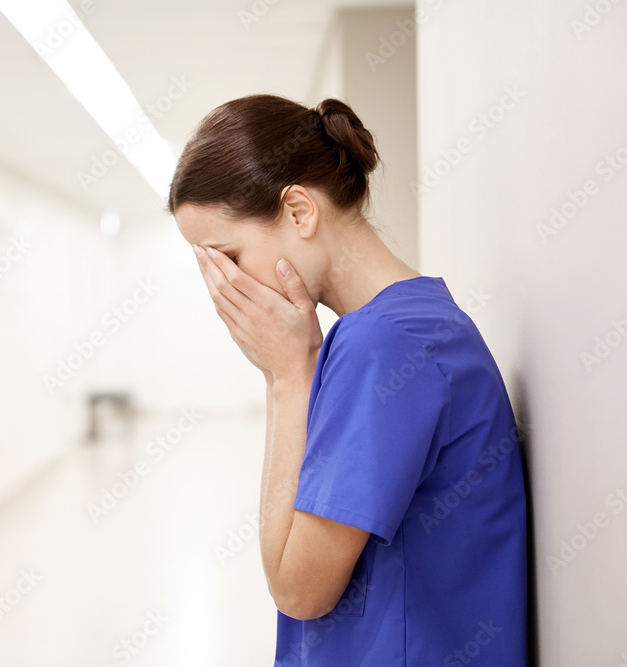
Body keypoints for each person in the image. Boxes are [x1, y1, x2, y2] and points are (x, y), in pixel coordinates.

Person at [167, 94, 528, 665]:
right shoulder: (400, 325)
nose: (226, 286)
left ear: (299, 211)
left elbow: (299, 591)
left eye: (229, 257)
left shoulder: (382, 345)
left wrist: (286, 377)